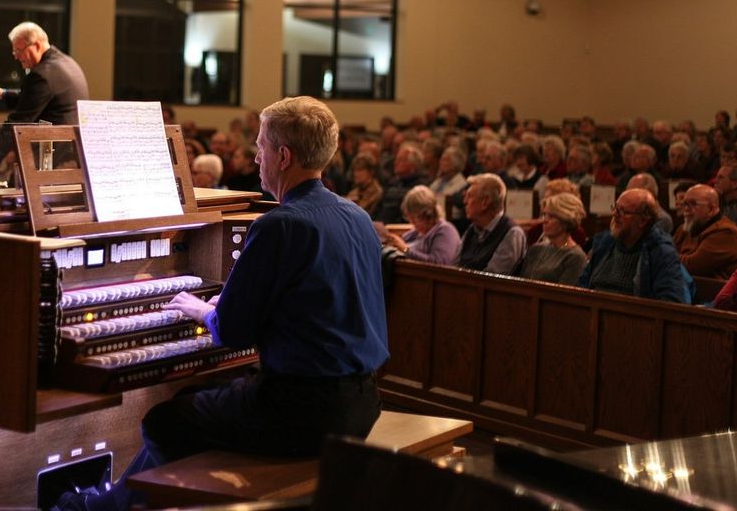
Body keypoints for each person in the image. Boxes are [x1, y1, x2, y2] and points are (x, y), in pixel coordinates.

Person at [54, 96, 388, 511]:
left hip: (302, 412)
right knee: (198, 397)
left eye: (261, 146)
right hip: (362, 403)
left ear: (283, 157)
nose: (255, 155)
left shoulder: (280, 225)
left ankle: (110, 508)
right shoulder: (356, 215)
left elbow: (232, 330)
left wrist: (201, 309)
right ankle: (110, 502)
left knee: (164, 422)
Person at [0, 22, 88, 175]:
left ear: (35, 45)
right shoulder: (67, 62)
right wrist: (1, 93)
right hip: (73, 155)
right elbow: (33, 99)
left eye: (18, 50)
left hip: (54, 161)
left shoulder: (41, 75)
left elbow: (17, 122)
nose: (15, 56)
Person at [578, 188, 687, 303]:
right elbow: (582, 284)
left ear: (643, 221)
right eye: (615, 208)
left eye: (622, 211)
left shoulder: (661, 252)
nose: (614, 214)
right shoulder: (604, 242)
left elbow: (670, 302)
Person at [673, 184, 737, 279]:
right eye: (685, 204)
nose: (686, 209)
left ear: (711, 209)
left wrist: (668, 256)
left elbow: (693, 266)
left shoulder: (725, 232)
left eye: (693, 204)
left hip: (714, 291)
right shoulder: (685, 228)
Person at [457, 173, 526, 274]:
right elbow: (453, 267)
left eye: (469, 196)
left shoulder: (511, 233)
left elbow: (492, 280)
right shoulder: (471, 230)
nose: (464, 201)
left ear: (485, 202)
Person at [518, 192, 587, 285]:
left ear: (566, 220)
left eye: (551, 216)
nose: (545, 220)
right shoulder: (536, 249)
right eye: (544, 215)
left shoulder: (575, 257)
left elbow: (563, 296)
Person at [381, 185, 461, 265]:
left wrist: (405, 249)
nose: (411, 222)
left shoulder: (446, 231)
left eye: (414, 217)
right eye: (409, 217)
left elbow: (440, 263)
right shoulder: (414, 233)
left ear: (428, 214)